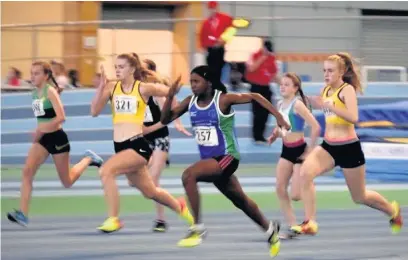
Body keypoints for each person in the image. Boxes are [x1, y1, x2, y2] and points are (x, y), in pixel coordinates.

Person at [160, 65, 291, 257]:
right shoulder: (190, 102)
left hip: (227, 157)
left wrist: (278, 116)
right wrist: (170, 95)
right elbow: (165, 120)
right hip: (211, 161)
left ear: (209, 82)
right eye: (191, 82)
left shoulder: (223, 100)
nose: (193, 85)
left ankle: (197, 228)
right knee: (241, 201)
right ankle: (271, 231)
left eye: (197, 81)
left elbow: (256, 96)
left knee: (189, 175)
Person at [293, 52, 403, 235]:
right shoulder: (325, 90)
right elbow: (325, 109)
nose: (326, 74)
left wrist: (329, 106)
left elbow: (353, 117)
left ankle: (393, 211)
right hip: (329, 147)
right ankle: (309, 222)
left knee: (359, 197)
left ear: (341, 72)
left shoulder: (347, 90)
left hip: (349, 148)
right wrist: (308, 104)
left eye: (330, 71)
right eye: (324, 71)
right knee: (305, 173)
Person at [90, 53, 194, 233]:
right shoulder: (111, 88)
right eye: (116, 67)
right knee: (151, 192)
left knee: (106, 171)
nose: (117, 70)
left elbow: (169, 92)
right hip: (121, 146)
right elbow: (94, 112)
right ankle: (180, 207)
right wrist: (100, 88)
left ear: (132, 69)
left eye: (121, 67)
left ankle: (113, 219)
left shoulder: (143, 89)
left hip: (138, 146)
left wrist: (173, 89)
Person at [7, 61, 103, 227]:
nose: (32, 76)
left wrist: (41, 130)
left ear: (45, 76)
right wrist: (40, 132)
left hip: (57, 139)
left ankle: (88, 159)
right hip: (43, 140)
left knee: (67, 182)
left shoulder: (49, 91)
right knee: (27, 171)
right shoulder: (35, 93)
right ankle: (22, 214)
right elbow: (45, 114)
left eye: (37, 73)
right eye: (31, 73)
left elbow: (61, 118)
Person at [267, 73, 321, 239]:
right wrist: (275, 134)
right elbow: (281, 125)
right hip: (286, 150)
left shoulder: (297, 105)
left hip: (299, 151)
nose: (282, 87)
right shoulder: (279, 103)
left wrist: (310, 150)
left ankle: (310, 218)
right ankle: (292, 225)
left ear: (295, 88)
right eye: (281, 84)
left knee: (296, 195)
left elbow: (316, 127)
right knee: (279, 188)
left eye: (287, 84)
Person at [141, 58, 192, 232]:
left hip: (160, 140)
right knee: (139, 183)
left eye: (142, 71)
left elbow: (172, 107)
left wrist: (176, 123)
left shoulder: (157, 94)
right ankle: (178, 203)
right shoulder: (136, 92)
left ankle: (160, 220)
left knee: (153, 181)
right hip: (143, 142)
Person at [245, 39, 278, 144]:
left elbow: (274, 74)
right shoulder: (255, 55)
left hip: (266, 87)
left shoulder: (271, 58)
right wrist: (262, 57)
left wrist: (283, 84)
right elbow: (251, 68)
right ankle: (257, 136)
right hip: (255, 87)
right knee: (257, 112)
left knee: (266, 111)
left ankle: (261, 135)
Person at [199, 1, 233, 83]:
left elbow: (232, 29)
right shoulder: (206, 23)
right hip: (211, 49)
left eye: (213, 8)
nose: (212, 10)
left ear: (217, 8)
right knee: (211, 69)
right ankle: (213, 85)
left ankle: (217, 85)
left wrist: (224, 39)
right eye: (210, 9)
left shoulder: (225, 18)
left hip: (220, 48)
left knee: (219, 68)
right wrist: (203, 47)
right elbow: (202, 36)